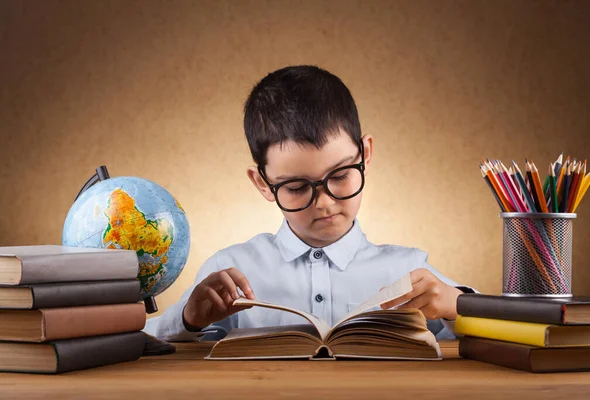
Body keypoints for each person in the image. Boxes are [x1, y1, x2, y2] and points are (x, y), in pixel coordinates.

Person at [144, 65, 473, 342]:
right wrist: (188, 319)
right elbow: (153, 347)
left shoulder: (408, 270)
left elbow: (498, 338)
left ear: (366, 155)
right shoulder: (230, 269)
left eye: (341, 174)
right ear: (263, 183)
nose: (325, 203)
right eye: (297, 186)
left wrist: (457, 306)